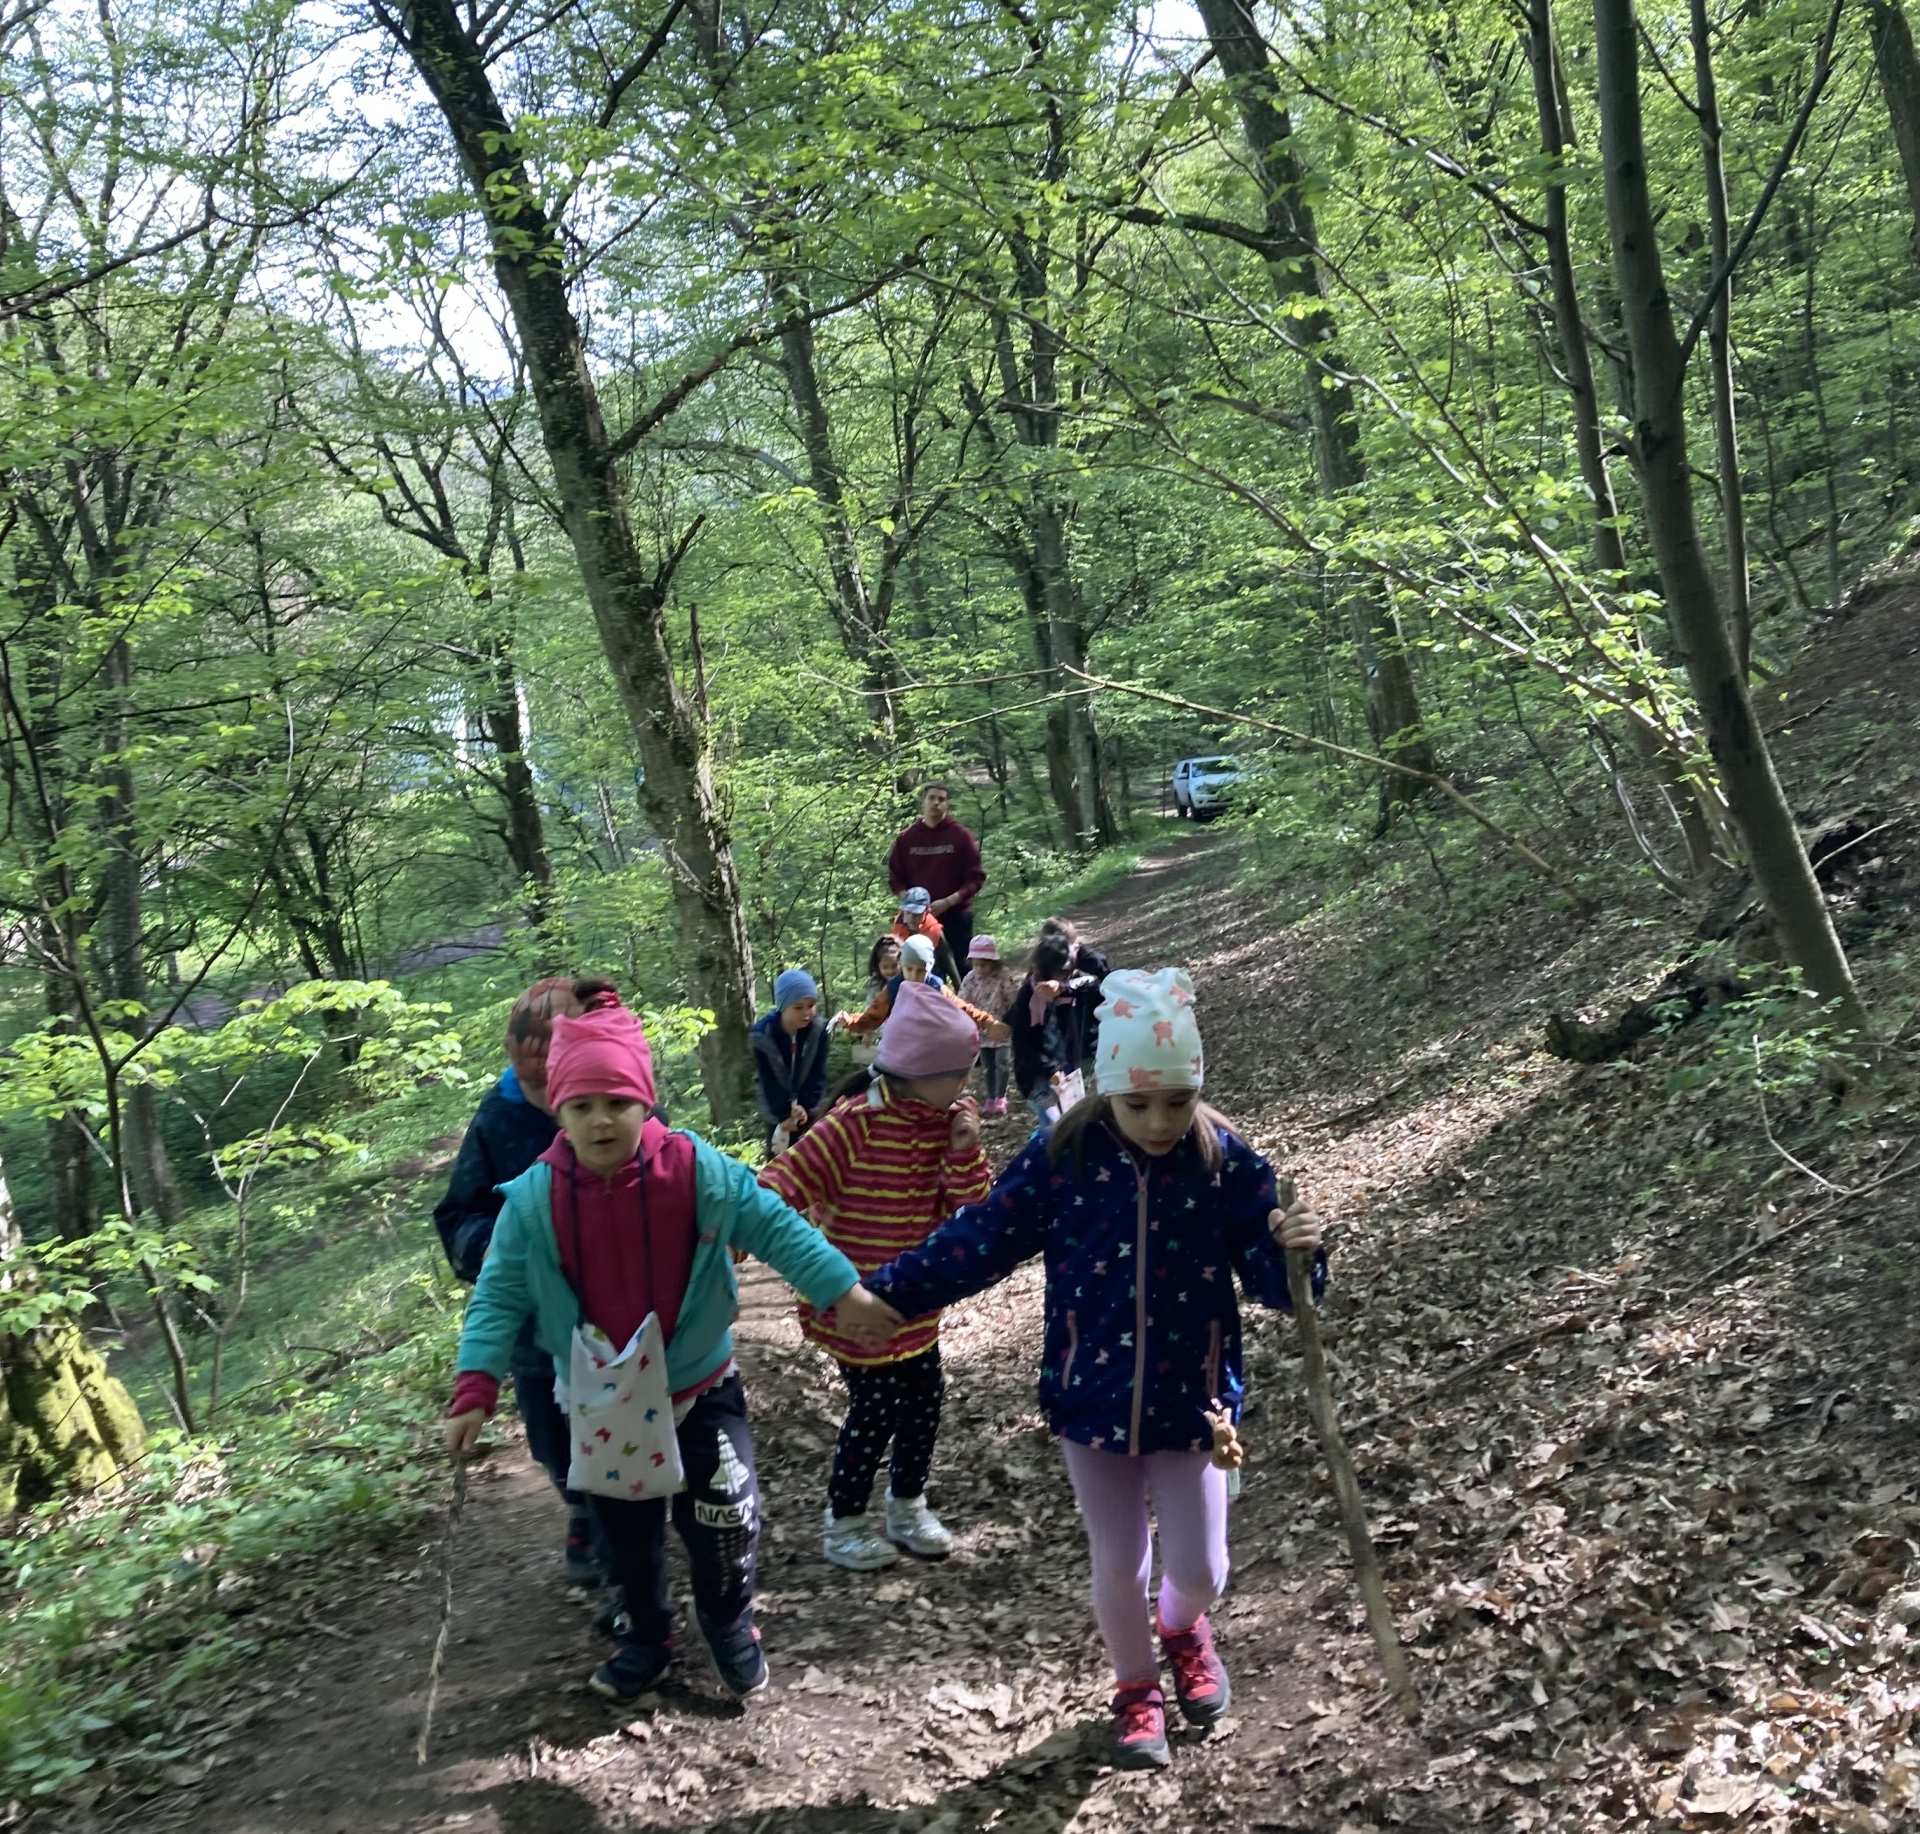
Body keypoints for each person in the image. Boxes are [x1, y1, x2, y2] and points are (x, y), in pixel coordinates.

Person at [847, 968, 1328, 1770]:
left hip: (1195, 1402)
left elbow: (1276, 1287)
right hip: (1089, 1395)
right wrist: (892, 1294)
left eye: (1177, 1101)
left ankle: (1182, 1625)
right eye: (1138, 1103)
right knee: (1119, 1557)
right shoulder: (1063, 1156)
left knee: (1202, 1568)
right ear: (1106, 1088)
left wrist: (1298, 1256)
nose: (1159, 1121)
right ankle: (1136, 1685)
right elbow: (984, 1237)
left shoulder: (1227, 1162)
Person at [443, 979, 900, 1703]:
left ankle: (728, 1621)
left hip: (698, 1386)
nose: (600, 1121)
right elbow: (498, 1293)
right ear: (557, 1110)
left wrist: (843, 1293)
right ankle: (648, 1634)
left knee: (726, 1514)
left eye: (617, 1103)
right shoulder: (532, 1199)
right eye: (581, 1107)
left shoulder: (692, 1169)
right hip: (603, 1402)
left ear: (645, 1100)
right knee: (625, 1537)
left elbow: (773, 1225)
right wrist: (476, 1387)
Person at [758, 980, 993, 1571]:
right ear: (923, 1073)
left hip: (915, 1306)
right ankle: (844, 1523)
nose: (966, 1086)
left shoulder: (945, 1122)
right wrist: (734, 1235)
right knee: (878, 1407)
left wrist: (965, 1150)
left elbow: (974, 1214)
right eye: (960, 1074)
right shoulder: (853, 1125)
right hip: (855, 1304)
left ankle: (906, 1506)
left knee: (925, 1400)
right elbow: (780, 1185)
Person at [432, 975, 604, 1582]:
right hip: (535, 1326)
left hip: (619, 1312)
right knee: (552, 1436)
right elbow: (460, 1214)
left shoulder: (617, 1095)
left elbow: (673, 1173)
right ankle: (583, 1509)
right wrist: (502, 1251)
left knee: (627, 1419)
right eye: (537, 1085)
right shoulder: (498, 1118)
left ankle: (625, 1530)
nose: (552, 1102)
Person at [1006, 928, 1103, 1124]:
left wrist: (1063, 989)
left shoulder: (1074, 982)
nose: (1063, 977)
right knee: (1054, 1124)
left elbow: (1094, 983)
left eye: (1066, 972)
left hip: (1075, 1065)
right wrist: (1050, 1070)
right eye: (1058, 973)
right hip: (1040, 1073)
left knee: (1081, 1119)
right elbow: (1023, 1042)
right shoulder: (1028, 994)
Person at [837, 934, 1007, 1043]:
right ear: (902, 966)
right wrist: (850, 1021)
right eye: (909, 969)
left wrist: (989, 1023)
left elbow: (962, 1009)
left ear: (929, 968)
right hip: (900, 1046)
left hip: (931, 1045)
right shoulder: (894, 988)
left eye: (920, 970)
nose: (913, 975)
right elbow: (872, 1017)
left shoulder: (936, 987)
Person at [887, 782, 985, 968]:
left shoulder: (961, 836)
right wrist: (912, 901)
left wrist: (948, 902)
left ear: (947, 804)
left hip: (957, 915)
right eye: (931, 798)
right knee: (920, 970)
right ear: (923, 801)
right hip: (917, 919)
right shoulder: (906, 838)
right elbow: (895, 878)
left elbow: (976, 878)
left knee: (962, 969)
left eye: (941, 799)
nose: (936, 803)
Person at [750, 968, 830, 1154]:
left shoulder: (819, 1030)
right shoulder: (762, 1035)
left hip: (809, 1110)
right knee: (778, 1160)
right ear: (783, 1006)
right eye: (798, 1007)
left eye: (811, 1005)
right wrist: (783, 1114)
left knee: (810, 1157)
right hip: (776, 1110)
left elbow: (818, 1073)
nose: (806, 1013)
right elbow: (768, 1079)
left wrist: (806, 1107)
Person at [956, 935, 1018, 1117]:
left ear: (993, 962)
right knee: (987, 1066)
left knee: (1002, 1062)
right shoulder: (970, 979)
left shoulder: (1004, 977)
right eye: (976, 964)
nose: (979, 968)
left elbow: (1014, 1000)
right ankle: (991, 1097)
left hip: (1002, 1029)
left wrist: (1010, 1022)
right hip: (981, 1031)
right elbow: (962, 1002)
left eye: (984, 964)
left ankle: (1001, 1096)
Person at [847, 935, 900, 1070]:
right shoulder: (875, 986)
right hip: (885, 1033)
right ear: (878, 966)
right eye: (885, 967)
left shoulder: (906, 981)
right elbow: (870, 1010)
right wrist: (866, 1033)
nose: (890, 971)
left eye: (894, 966)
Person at [892, 885, 960, 984]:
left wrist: (958, 986)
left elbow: (948, 960)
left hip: (930, 975)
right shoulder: (899, 926)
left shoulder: (934, 930)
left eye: (917, 914)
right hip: (906, 976)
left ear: (927, 911)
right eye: (908, 913)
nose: (911, 918)